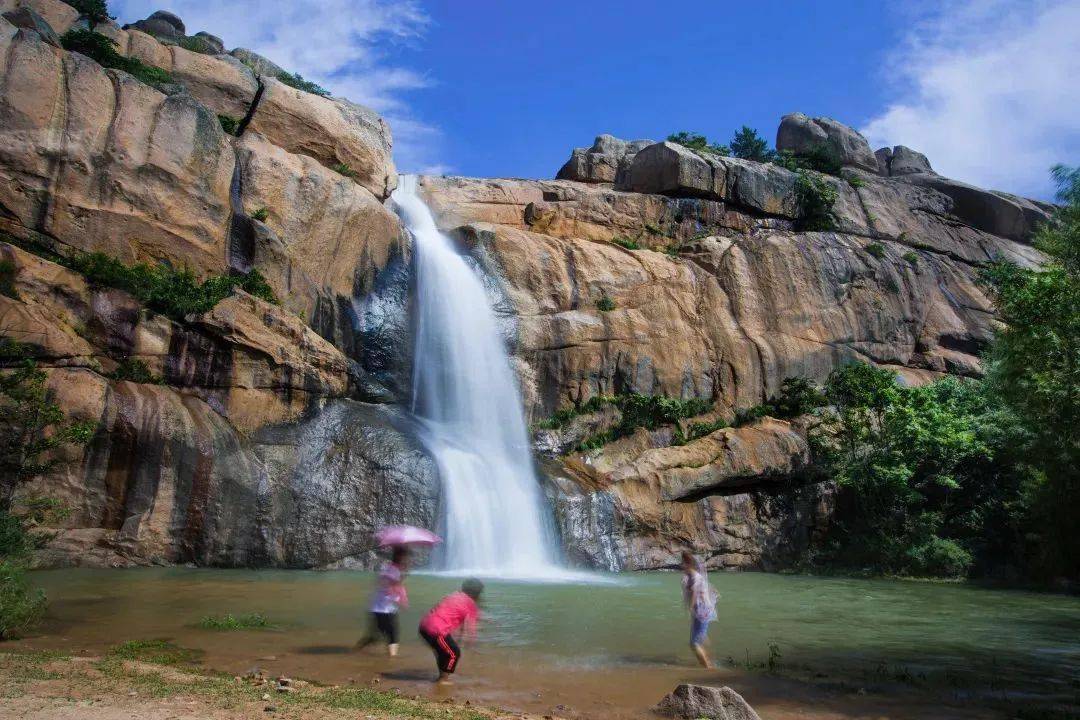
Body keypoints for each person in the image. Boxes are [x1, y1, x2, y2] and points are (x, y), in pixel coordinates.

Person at [418, 578, 483, 684]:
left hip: (424, 626)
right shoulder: (471, 604)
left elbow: (449, 614)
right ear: (477, 594)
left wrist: (459, 638)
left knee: (443, 652)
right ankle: (443, 680)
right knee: (454, 653)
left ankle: (441, 677)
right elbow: (471, 627)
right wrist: (471, 642)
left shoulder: (454, 595)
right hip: (436, 630)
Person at [357, 546, 410, 656]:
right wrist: (400, 598)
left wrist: (400, 580)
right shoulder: (394, 571)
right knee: (392, 635)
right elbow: (389, 587)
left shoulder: (389, 568)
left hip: (379, 607)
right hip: (384, 609)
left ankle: (356, 651)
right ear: (401, 557)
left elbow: (384, 583)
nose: (408, 560)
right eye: (406, 557)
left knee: (376, 636)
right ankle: (392, 661)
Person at [681, 550, 717, 668]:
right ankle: (709, 663)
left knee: (694, 644)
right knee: (698, 641)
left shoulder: (695, 577)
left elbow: (695, 593)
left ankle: (708, 669)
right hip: (700, 612)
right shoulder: (691, 576)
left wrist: (690, 609)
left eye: (682, 563)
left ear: (687, 563)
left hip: (702, 612)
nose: (681, 566)